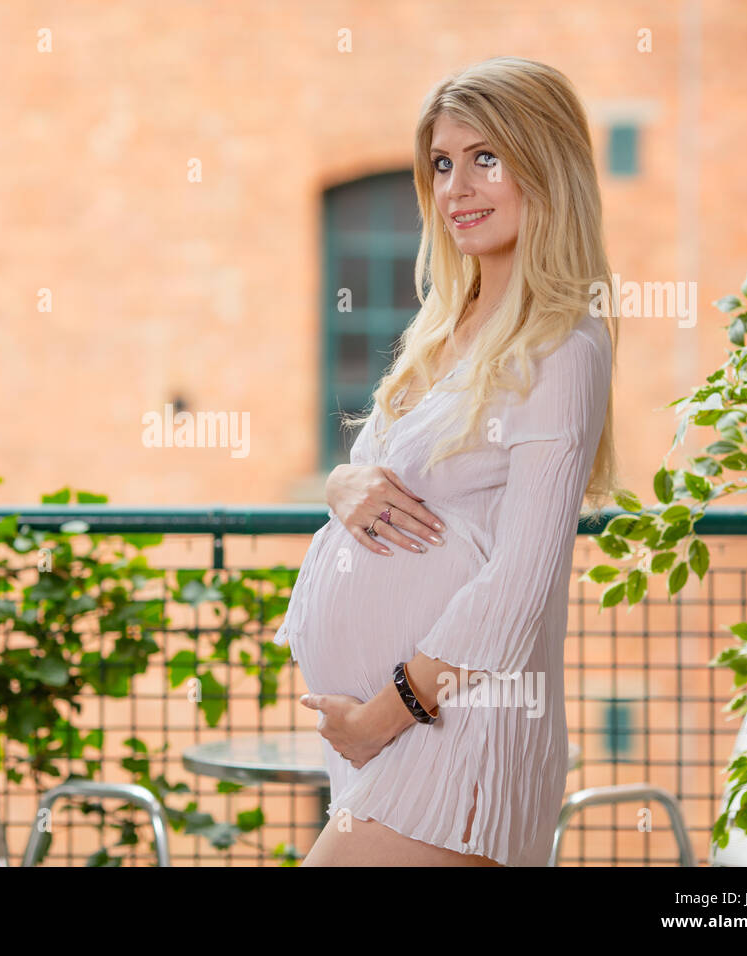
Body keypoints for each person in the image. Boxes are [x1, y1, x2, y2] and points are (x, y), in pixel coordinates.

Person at [273, 56, 621, 866]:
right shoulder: (441, 329)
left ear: (548, 165)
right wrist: (339, 483)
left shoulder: (564, 345)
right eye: (442, 163)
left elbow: (520, 585)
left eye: (486, 159)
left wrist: (383, 713)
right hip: (395, 736)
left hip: (455, 727)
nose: (457, 187)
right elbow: (367, 481)